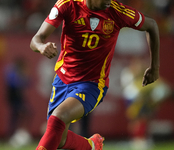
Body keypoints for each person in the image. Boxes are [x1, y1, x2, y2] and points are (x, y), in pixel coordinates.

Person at [30, 0, 160, 149]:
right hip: (62, 79)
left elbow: (152, 25)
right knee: (58, 138)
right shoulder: (67, 5)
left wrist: (154, 67)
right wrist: (41, 46)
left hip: (92, 84)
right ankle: (91, 145)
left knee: (59, 115)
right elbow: (36, 39)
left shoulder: (118, 12)